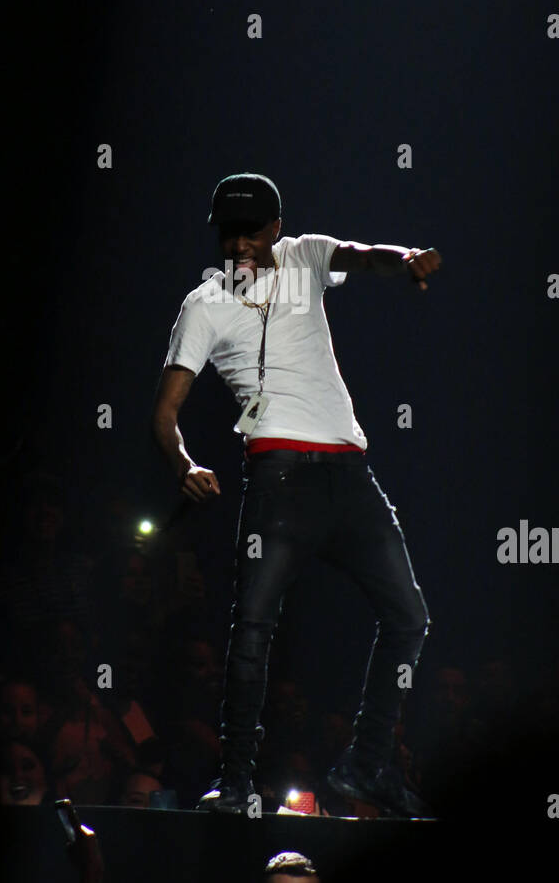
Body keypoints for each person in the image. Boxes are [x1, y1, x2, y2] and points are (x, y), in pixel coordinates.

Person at [151, 173, 441, 818]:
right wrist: (184, 465)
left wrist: (407, 260)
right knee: (253, 628)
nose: (241, 246)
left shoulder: (305, 257)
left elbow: (363, 255)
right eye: (230, 235)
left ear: (276, 229)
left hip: (350, 476)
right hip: (279, 478)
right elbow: (165, 412)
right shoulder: (204, 305)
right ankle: (235, 785)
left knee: (409, 618)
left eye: (253, 233)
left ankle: (365, 766)